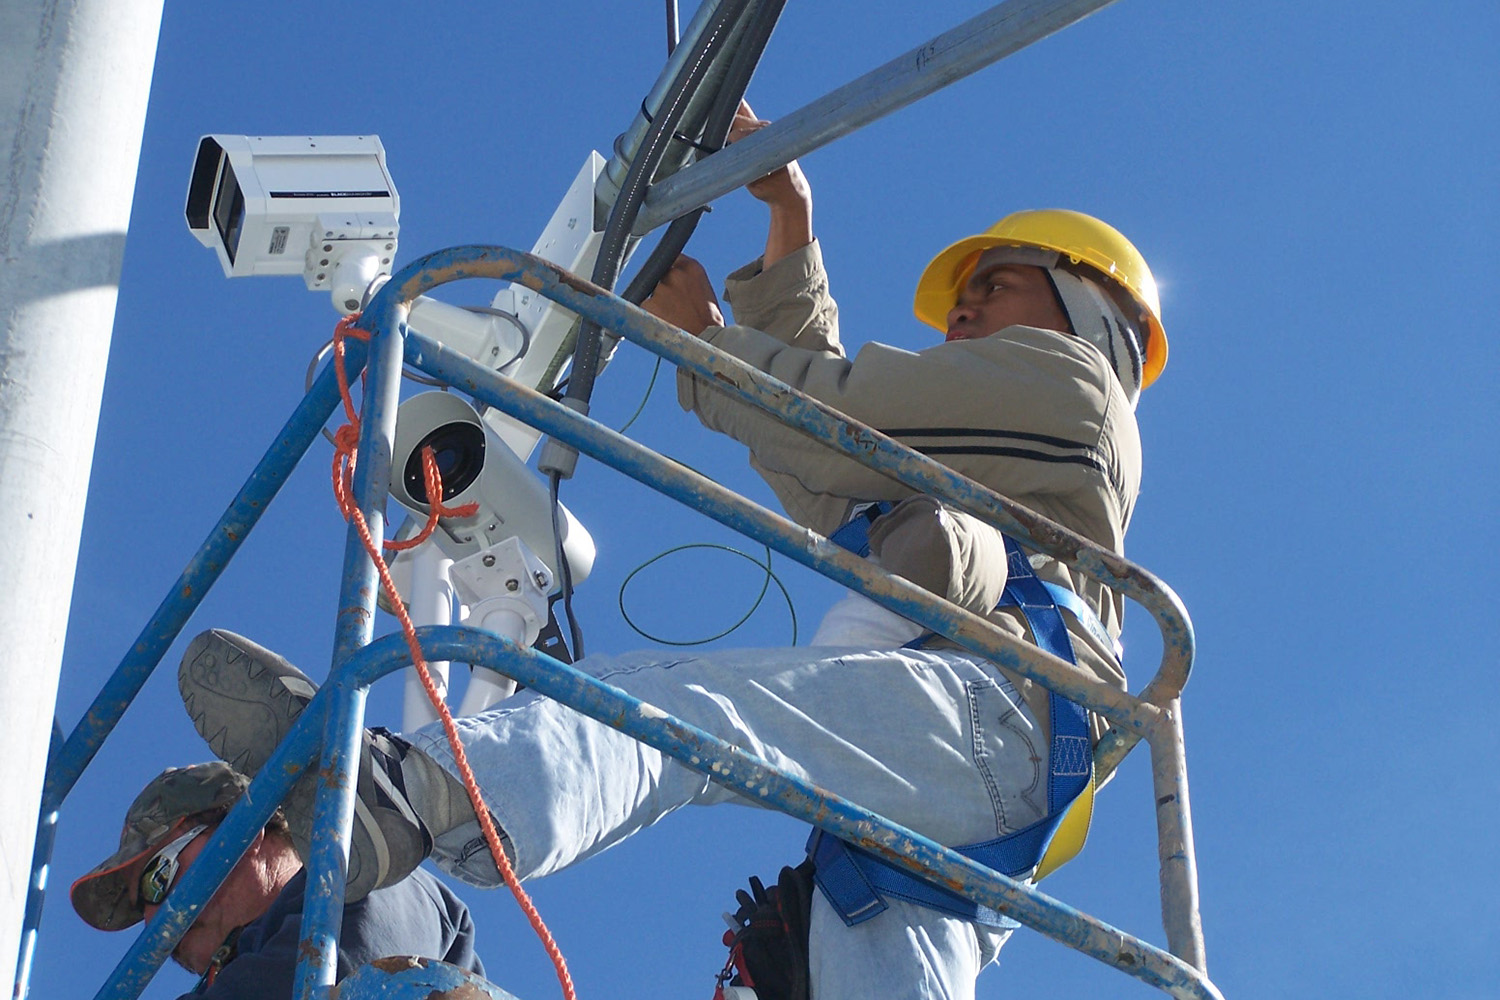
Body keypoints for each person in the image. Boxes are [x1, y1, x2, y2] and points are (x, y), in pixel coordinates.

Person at [174, 104, 1169, 1000]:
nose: (964, 307)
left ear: (1095, 316)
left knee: (685, 715)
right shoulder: (991, 461)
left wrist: (701, 343)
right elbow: (844, 465)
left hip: (1002, 717)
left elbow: (836, 427)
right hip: (965, 797)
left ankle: (419, 794)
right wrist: (790, 241)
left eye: (994, 285)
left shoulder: (1074, 395)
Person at [70, 761, 485, 998]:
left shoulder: (362, 876)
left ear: (243, 832)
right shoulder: (233, 974)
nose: (152, 920)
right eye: (141, 907)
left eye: (157, 877)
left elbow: (332, 974)